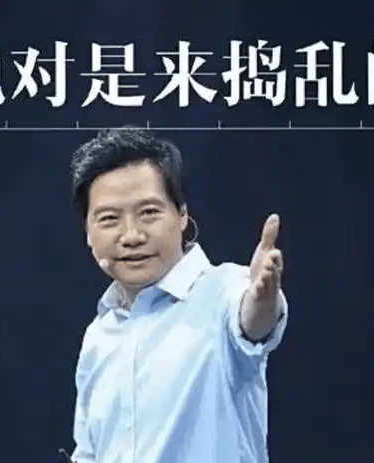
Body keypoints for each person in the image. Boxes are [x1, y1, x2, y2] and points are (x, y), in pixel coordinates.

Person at [66, 126, 288, 463]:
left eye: (149, 213)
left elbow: (253, 322)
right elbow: (89, 452)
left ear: (182, 214)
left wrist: (262, 298)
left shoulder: (223, 290)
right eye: (109, 219)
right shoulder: (99, 336)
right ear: (88, 232)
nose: (132, 236)